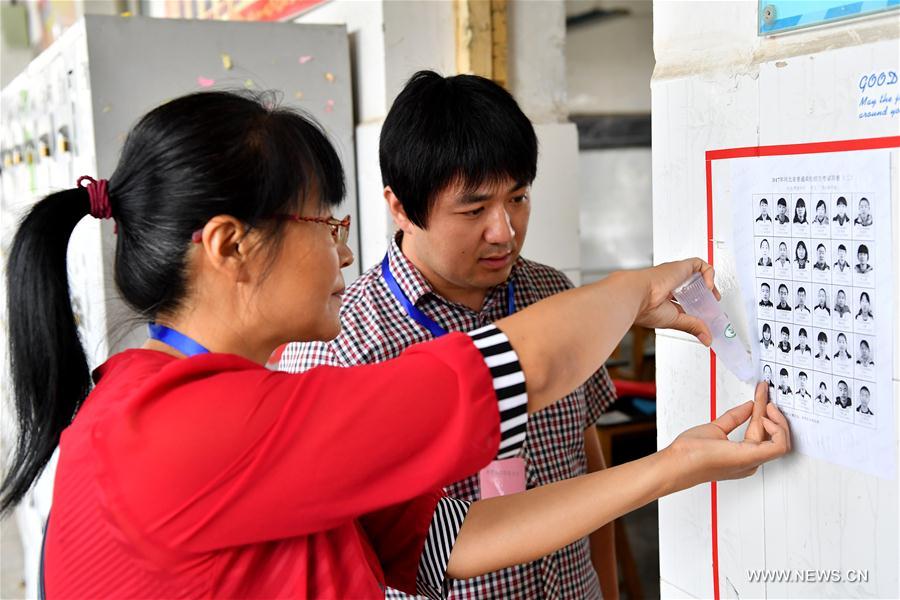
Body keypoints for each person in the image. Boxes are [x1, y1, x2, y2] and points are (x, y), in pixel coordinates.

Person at [1, 91, 791, 598]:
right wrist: (637, 290)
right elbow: (508, 372)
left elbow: (450, 539)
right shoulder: (187, 430)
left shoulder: (179, 408)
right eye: (324, 224)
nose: (343, 251)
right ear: (230, 246)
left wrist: (673, 465)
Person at [284, 71, 623, 599]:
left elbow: (587, 455)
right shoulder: (338, 343)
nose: (504, 231)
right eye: (474, 209)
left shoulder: (554, 295)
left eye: (518, 198)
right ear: (401, 207)